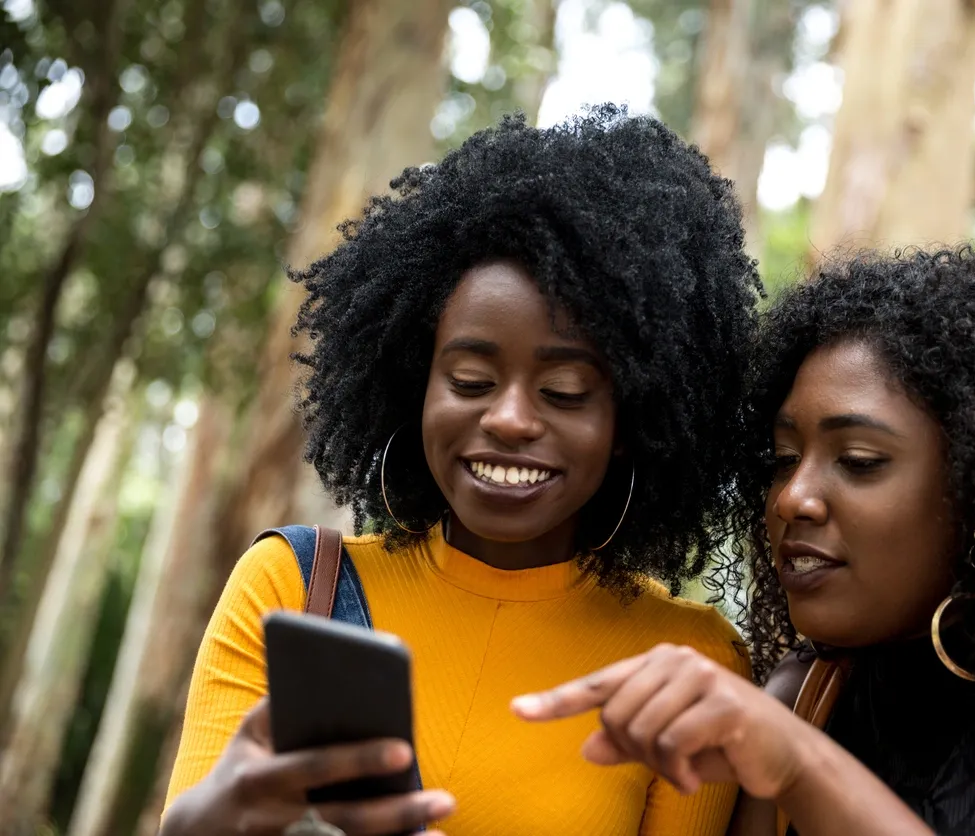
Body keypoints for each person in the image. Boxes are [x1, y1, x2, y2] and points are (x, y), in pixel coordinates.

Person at [159, 105, 761, 836]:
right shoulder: (290, 587)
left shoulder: (692, 664)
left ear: (633, 424)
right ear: (416, 386)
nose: (509, 419)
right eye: (471, 380)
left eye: (564, 391)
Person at [513, 246, 975, 835]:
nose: (793, 498)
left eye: (859, 462)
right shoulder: (805, 695)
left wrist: (803, 770)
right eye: (781, 460)